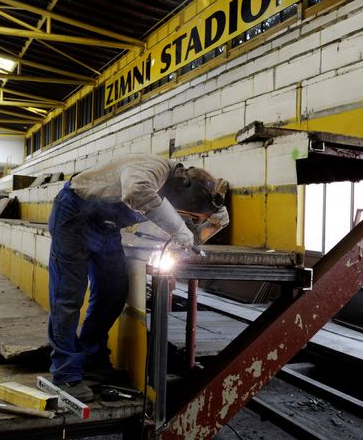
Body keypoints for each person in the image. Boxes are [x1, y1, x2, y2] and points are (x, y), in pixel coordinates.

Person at [47, 153, 228, 402]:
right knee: (68, 297)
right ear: (184, 187)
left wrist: (185, 231)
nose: (181, 214)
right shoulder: (153, 167)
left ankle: (91, 357)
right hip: (74, 215)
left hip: (105, 226)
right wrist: (177, 229)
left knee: (113, 291)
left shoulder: (171, 187)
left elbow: (155, 211)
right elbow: (136, 192)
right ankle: (65, 373)